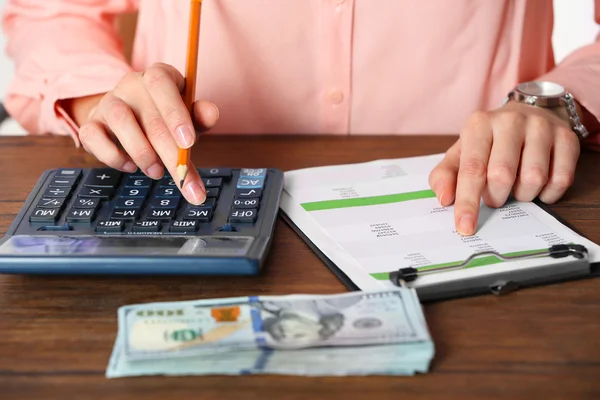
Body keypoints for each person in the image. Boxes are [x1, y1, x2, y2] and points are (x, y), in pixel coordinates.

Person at [2, 1, 599, 236]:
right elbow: (54, 13)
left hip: (489, 208)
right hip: (200, 207)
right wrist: (100, 100)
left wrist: (557, 101)